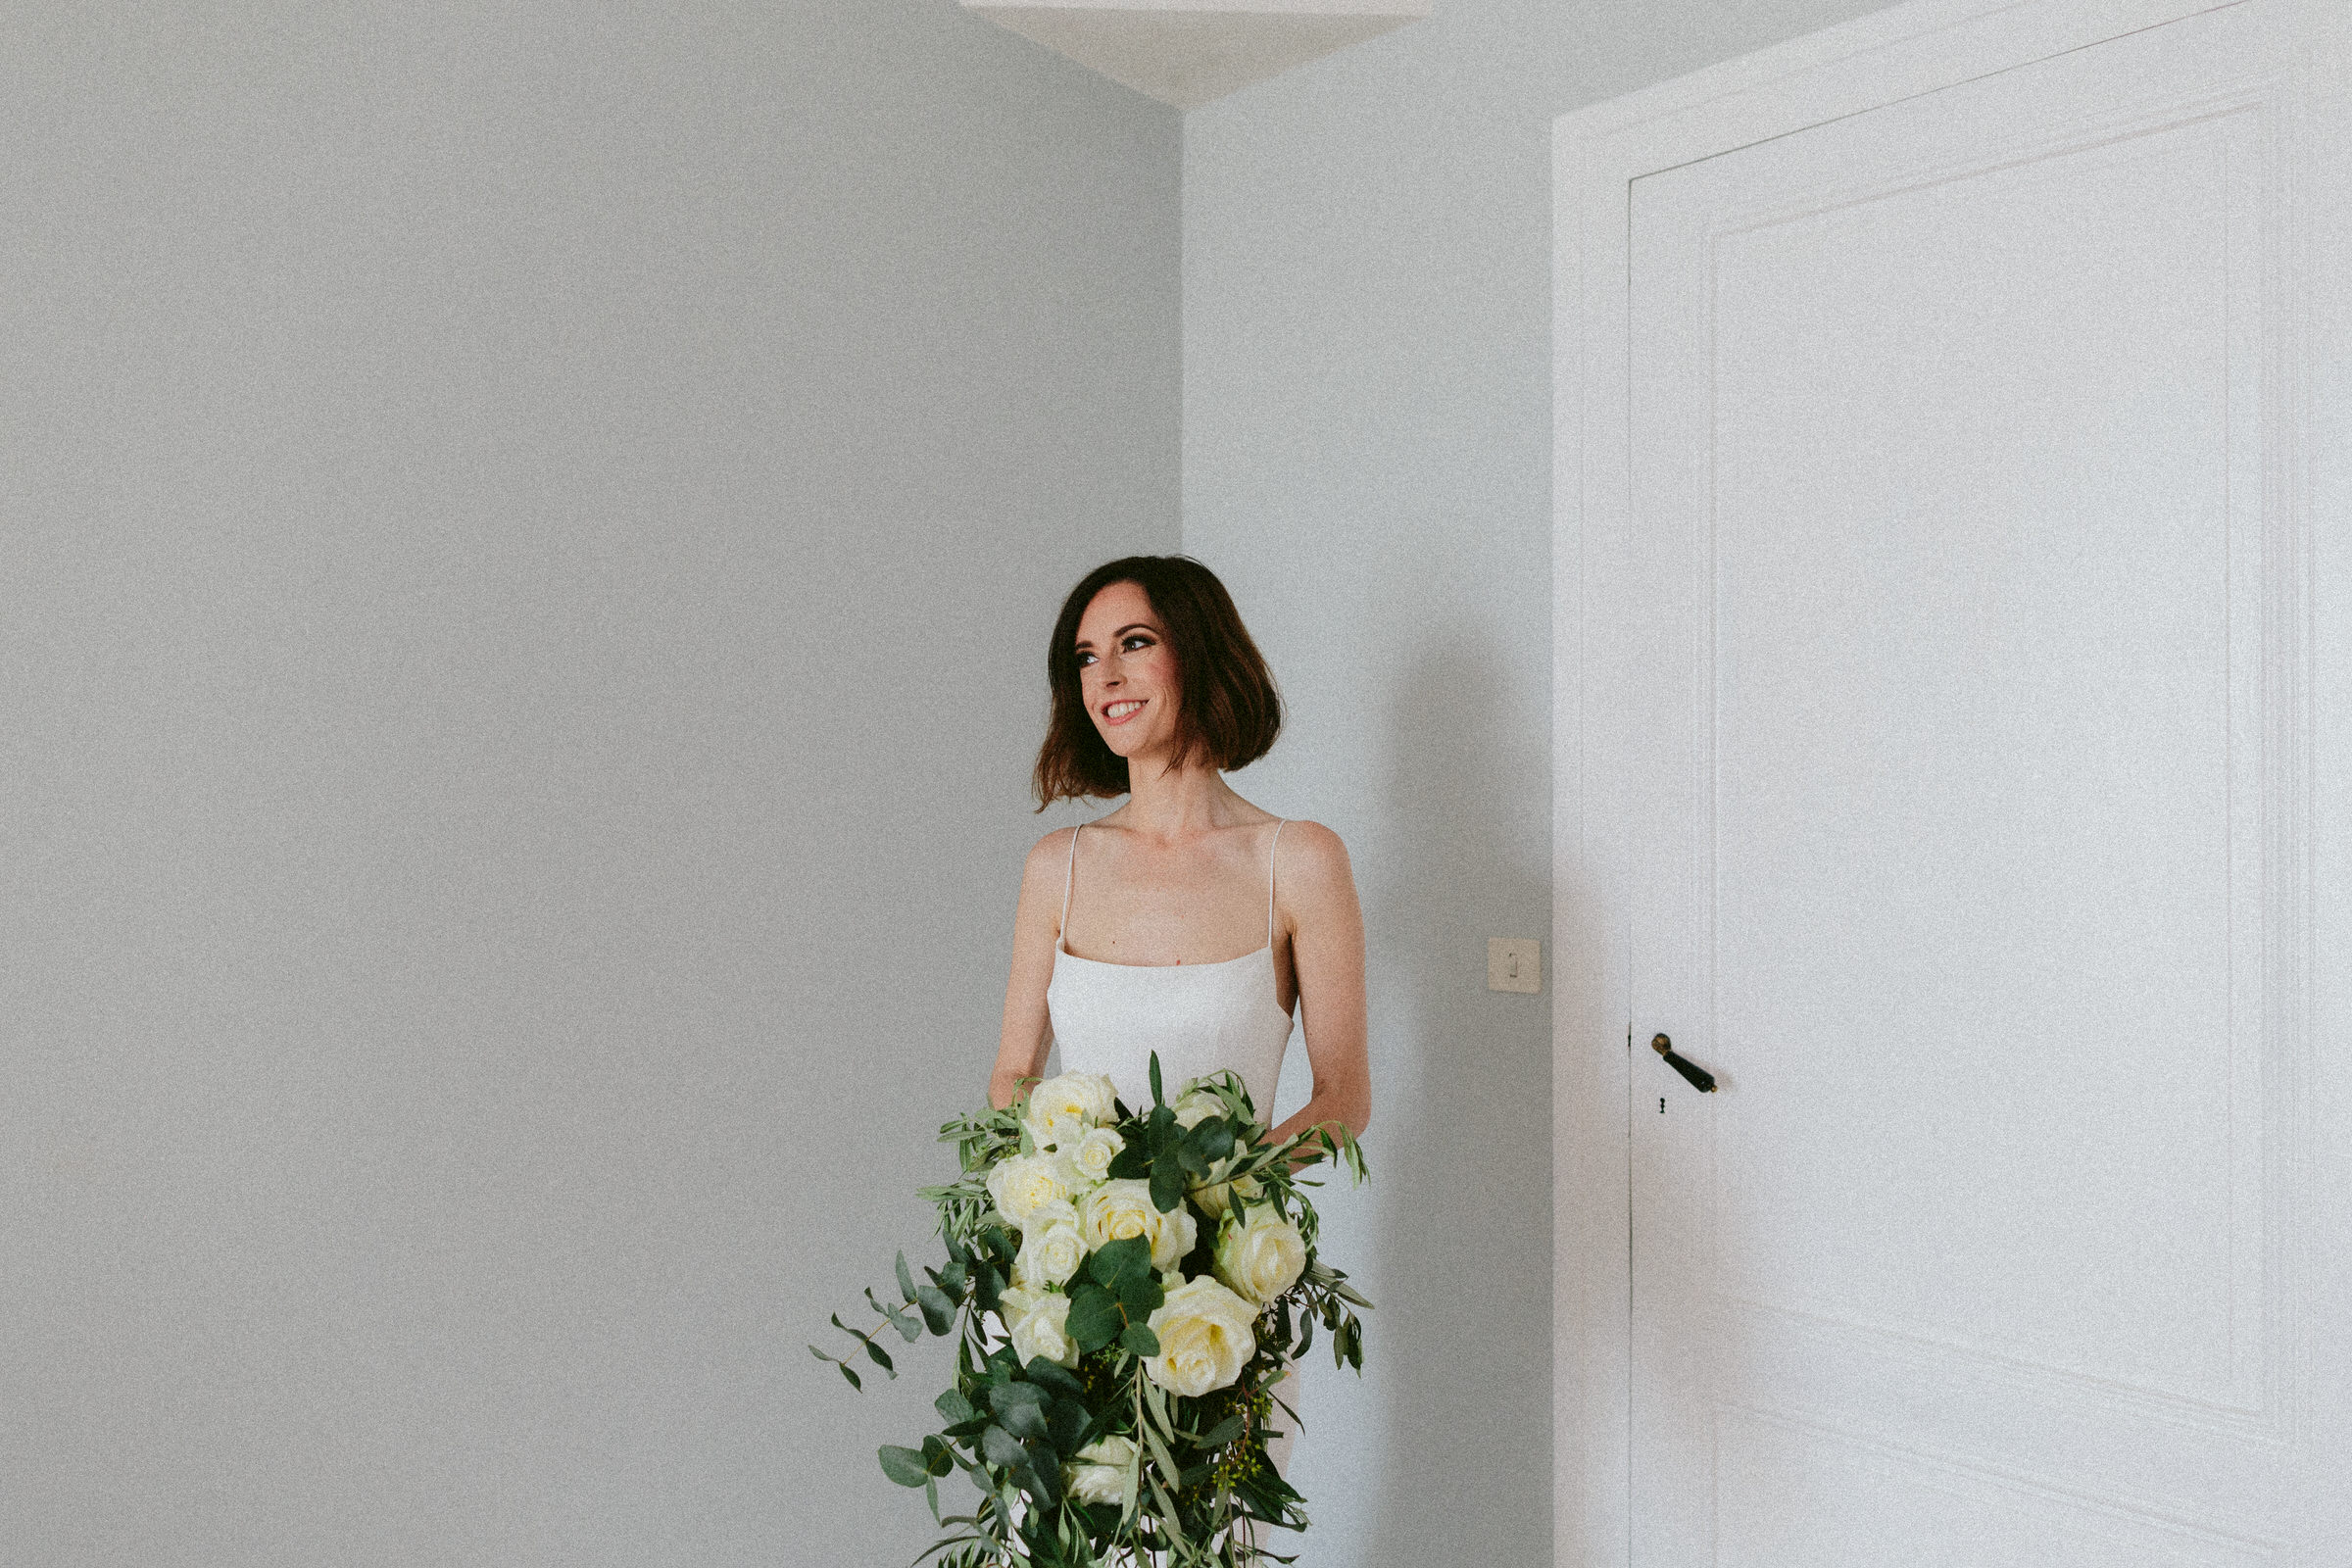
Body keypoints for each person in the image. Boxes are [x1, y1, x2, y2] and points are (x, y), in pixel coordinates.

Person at [989, 555, 1372, 1486]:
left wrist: (1213, 1211)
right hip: (1069, 1300)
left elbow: (1344, 1094)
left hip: (1219, 1312)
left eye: (1134, 644)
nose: (1105, 680)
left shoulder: (1299, 862)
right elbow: (1011, 1077)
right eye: (1085, 658)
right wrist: (1053, 1234)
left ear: (1197, 656)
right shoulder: (1059, 866)